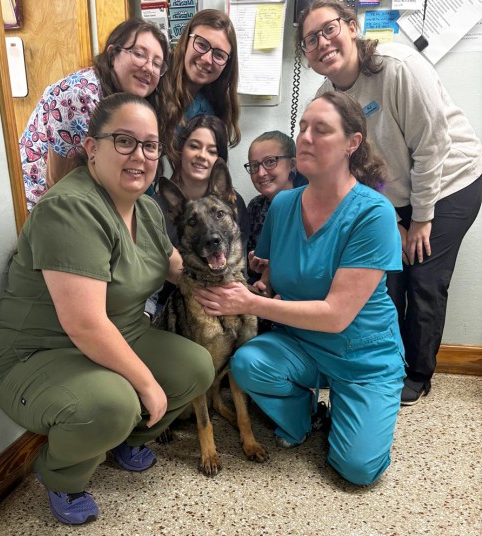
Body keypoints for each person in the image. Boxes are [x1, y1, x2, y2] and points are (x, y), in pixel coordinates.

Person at [0, 93, 215, 525]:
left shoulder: (145, 208)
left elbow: (174, 266)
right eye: (124, 141)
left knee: (196, 367)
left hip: (122, 332)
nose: (140, 155)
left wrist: (234, 279)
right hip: (42, 353)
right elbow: (85, 324)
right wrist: (146, 384)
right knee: (116, 404)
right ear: (92, 148)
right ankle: (60, 474)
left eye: (150, 145)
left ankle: (121, 439)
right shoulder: (70, 208)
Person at [194, 92, 406, 486]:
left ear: (352, 143)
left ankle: (355, 403)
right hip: (301, 345)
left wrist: (250, 302)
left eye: (321, 130)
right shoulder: (283, 205)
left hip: (361, 355)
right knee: (247, 363)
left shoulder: (374, 213)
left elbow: (336, 315)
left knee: (358, 469)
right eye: (303, 127)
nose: (305, 137)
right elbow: (272, 275)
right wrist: (261, 283)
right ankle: (308, 415)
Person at [296, 0, 482, 405]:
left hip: (450, 181)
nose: (322, 43)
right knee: (385, 278)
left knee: (424, 278)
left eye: (329, 29)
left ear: (351, 27)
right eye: (310, 39)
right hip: (395, 194)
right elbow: (354, 166)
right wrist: (391, 217)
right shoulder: (325, 97)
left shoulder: (397, 67)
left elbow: (433, 146)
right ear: (306, 55)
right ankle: (388, 364)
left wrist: (421, 219)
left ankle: (417, 374)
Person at [20, 18, 170, 211]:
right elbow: (59, 186)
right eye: (139, 54)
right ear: (112, 55)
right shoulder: (77, 95)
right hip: (47, 207)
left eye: (157, 63)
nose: (149, 68)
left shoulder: (134, 104)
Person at [155, 114, 249, 252]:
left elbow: (239, 258)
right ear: (181, 150)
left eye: (212, 151)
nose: (202, 155)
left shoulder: (232, 202)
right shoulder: (154, 207)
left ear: (219, 159)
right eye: (194, 146)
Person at [163, 9, 241, 161]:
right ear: (186, 41)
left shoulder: (208, 111)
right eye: (201, 44)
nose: (206, 59)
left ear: (227, 65)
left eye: (219, 55)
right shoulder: (155, 82)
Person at [244, 130, 300, 276]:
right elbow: (248, 267)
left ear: (292, 164)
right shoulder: (255, 207)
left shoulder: (307, 203)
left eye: (270, 162)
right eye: (254, 166)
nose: (261, 173)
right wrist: (255, 264)